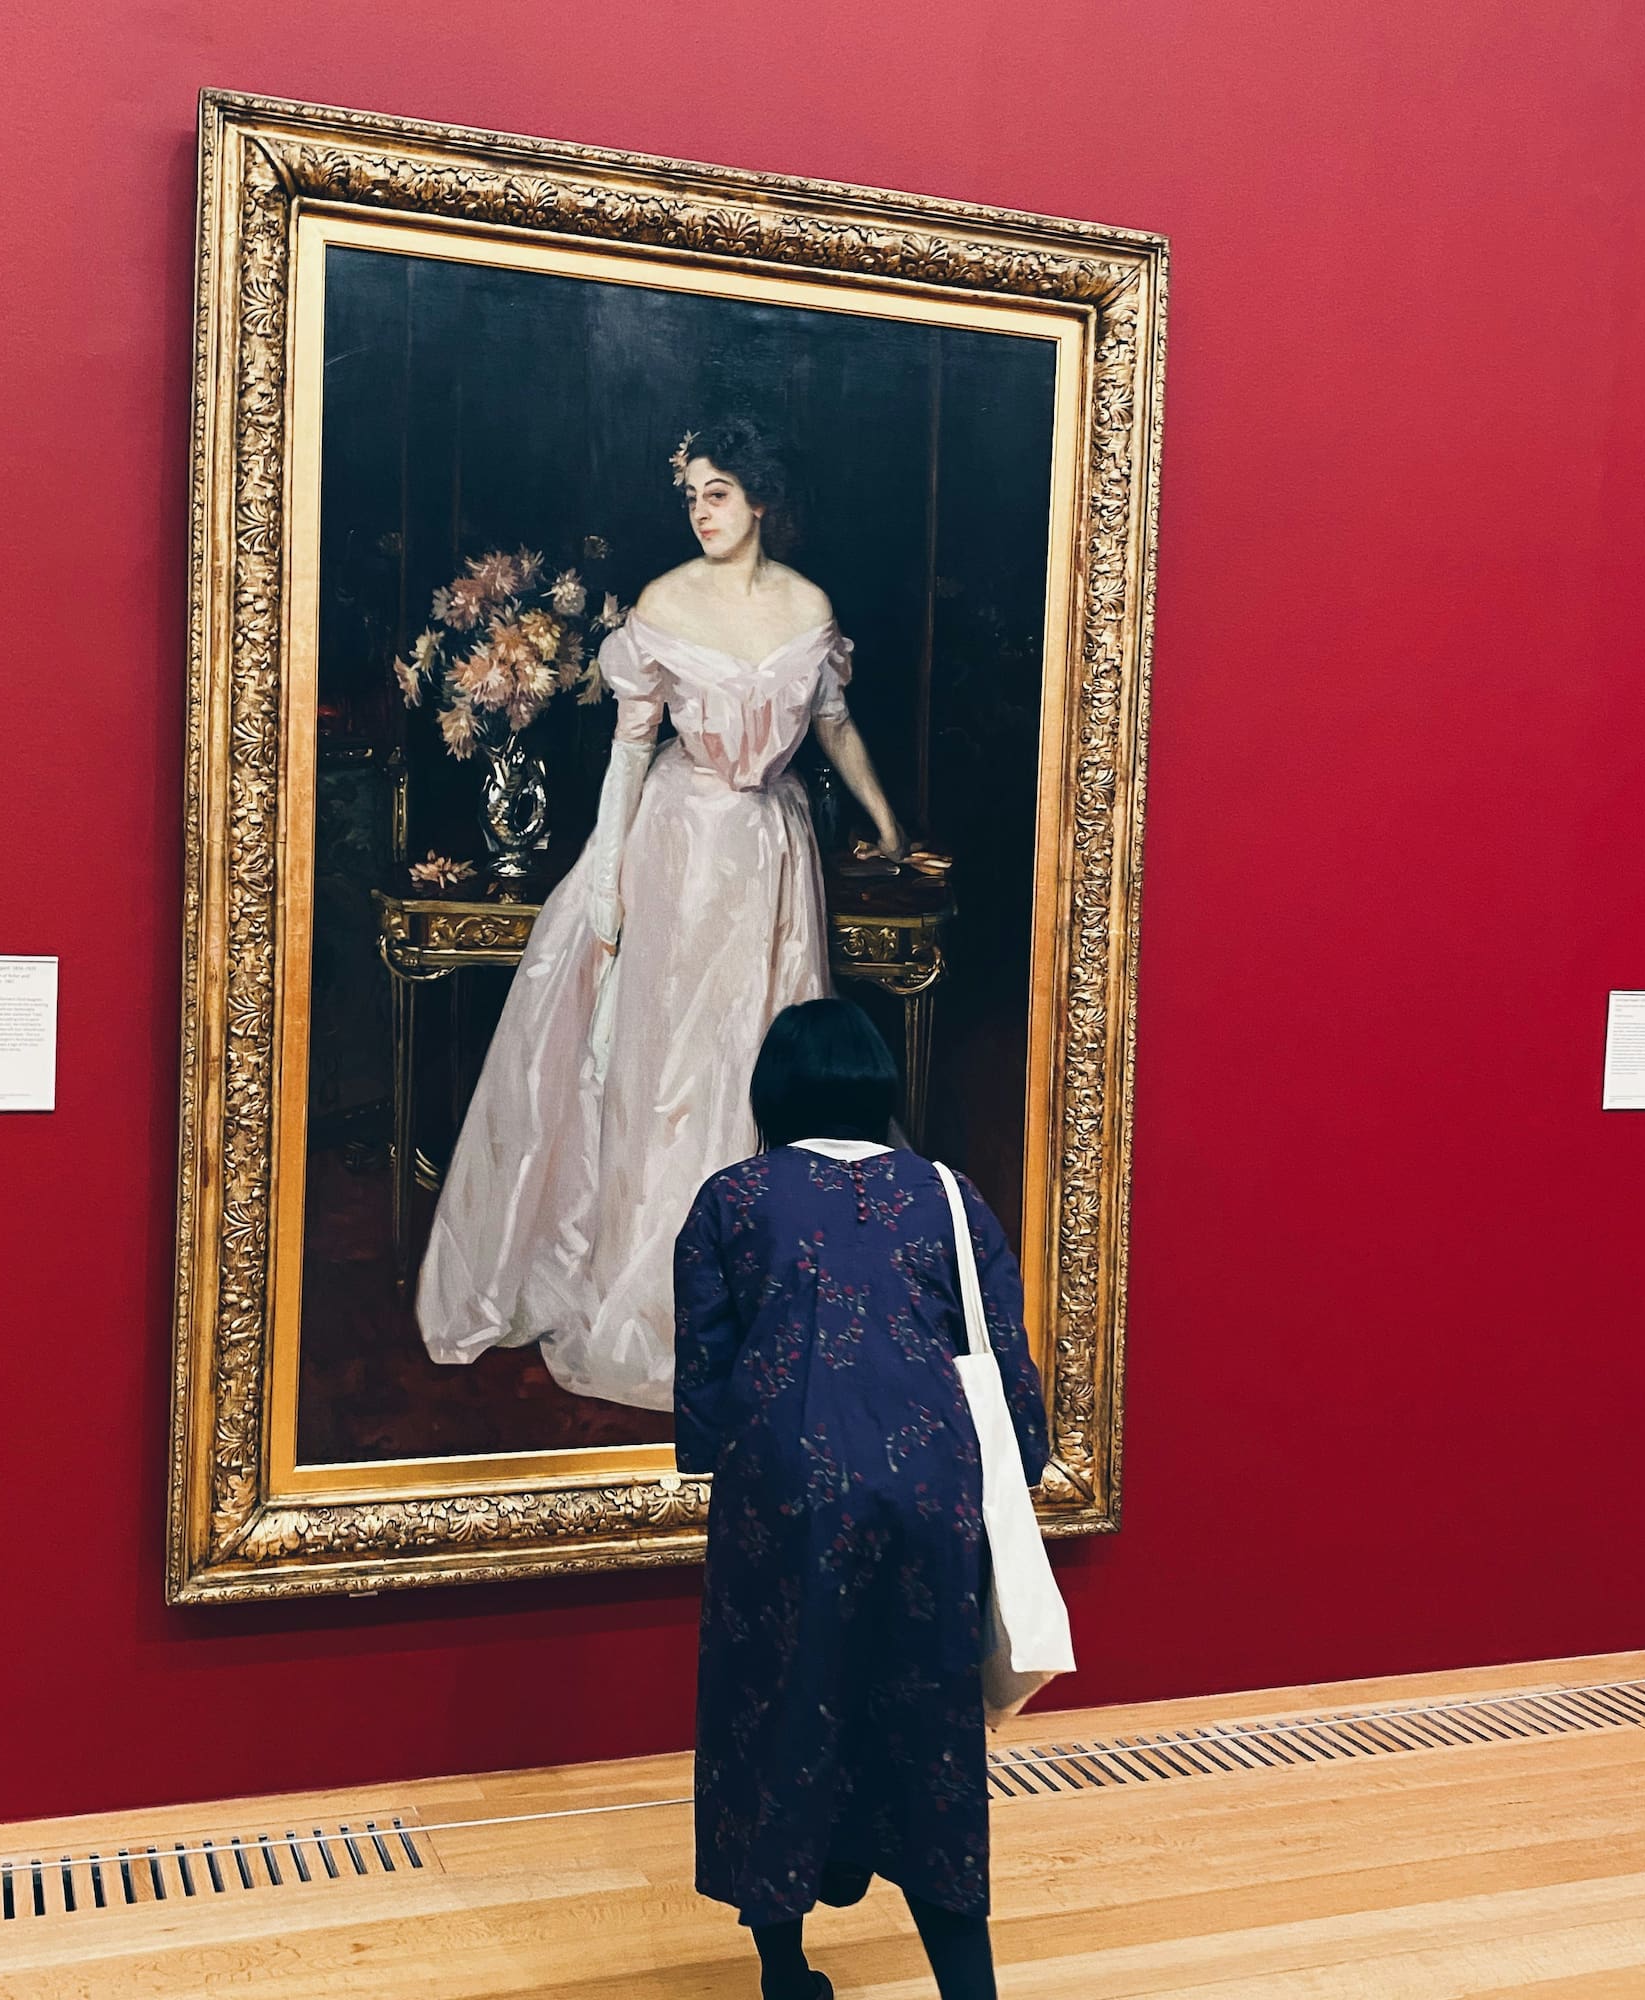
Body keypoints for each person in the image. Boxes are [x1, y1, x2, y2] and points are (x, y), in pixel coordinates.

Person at [418, 419, 908, 1409]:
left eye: (717, 493)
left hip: (772, 853)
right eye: (690, 496)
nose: (700, 512)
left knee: (765, 1056)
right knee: (672, 1067)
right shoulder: (662, 603)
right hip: (679, 845)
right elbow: (630, 752)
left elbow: (834, 725)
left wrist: (887, 821)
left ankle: (769, 1284)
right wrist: (607, 877)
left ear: (759, 498)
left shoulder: (808, 606)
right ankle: (662, 1290)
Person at [673, 998, 1050, 2000]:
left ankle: (785, 1968)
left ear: (774, 1091)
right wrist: (1021, 1462)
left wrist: (724, 1453)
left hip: (785, 1491)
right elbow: (1001, 1348)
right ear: (878, 1083)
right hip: (933, 1487)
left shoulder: (732, 1197)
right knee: (927, 1728)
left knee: (778, 1705)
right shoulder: (948, 1193)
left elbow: (705, 1380)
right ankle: (967, 1982)